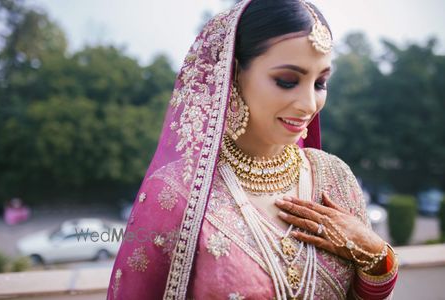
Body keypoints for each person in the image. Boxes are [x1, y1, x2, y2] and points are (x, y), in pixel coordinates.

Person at [107, 0, 398, 299]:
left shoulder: (336, 180)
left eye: (320, 83)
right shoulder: (176, 192)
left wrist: (376, 256)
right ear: (233, 74)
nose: (309, 105)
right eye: (287, 81)